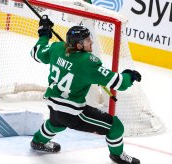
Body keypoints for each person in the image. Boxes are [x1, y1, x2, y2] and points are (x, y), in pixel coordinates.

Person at [29, 15, 141, 164]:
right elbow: (119, 83)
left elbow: (36, 53)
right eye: (88, 40)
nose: (91, 42)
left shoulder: (56, 48)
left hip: (53, 103)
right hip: (74, 113)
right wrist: (129, 75)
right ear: (79, 45)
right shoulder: (88, 62)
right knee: (115, 126)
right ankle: (117, 155)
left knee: (56, 122)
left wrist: (44, 34)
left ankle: (38, 141)